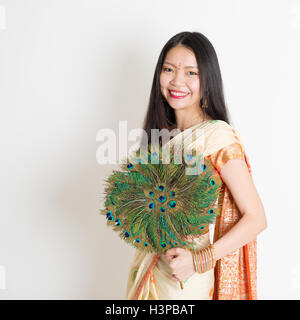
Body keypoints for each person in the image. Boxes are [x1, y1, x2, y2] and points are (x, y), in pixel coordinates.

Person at [125, 31, 267, 300]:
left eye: (191, 73)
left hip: (186, 280)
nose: (177, 81)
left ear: (208, 81)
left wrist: (199, 261)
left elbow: (256, 217)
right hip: (152, 270)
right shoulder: (163, 139)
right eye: (169, 69)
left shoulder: (217, 136)